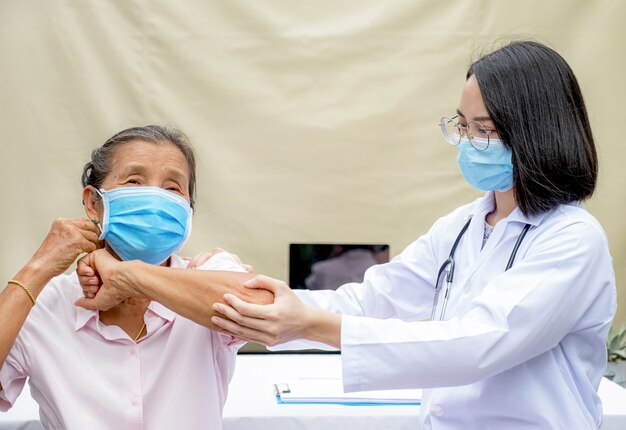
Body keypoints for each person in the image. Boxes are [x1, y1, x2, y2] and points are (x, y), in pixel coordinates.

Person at [76, 41, 616, 429]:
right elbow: (373, 298)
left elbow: (478, 342)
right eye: (462, 125)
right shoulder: (464, 225)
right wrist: (271, 300)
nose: (468, 142)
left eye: (485, 131)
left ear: (536, 131)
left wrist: (307, 322)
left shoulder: (572, 239)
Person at [0, 125, 271, 429]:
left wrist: (128, 276)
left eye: (172, 189)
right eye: (134, 181)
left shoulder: (210, 277)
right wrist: (38, 268)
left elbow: (271, 312)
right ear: (94, 203)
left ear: (187, 210)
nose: (155, 197)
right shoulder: (43, 306)